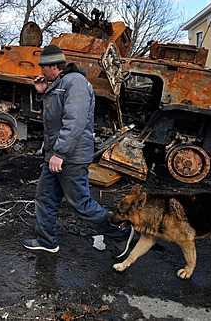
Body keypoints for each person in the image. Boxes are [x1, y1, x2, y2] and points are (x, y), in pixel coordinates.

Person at [22, 44, 135, 258]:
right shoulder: (59, 83)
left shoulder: (76, 83)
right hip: (56, 156)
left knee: (80, 204)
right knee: (45, 197)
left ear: (54, 65)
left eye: (43, 67)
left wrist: (60, 154)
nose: (41, 71)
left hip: (70, 158)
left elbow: (74, 122)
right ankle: (47, 241)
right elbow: (54, 117)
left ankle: (120, 232)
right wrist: (42, 93)